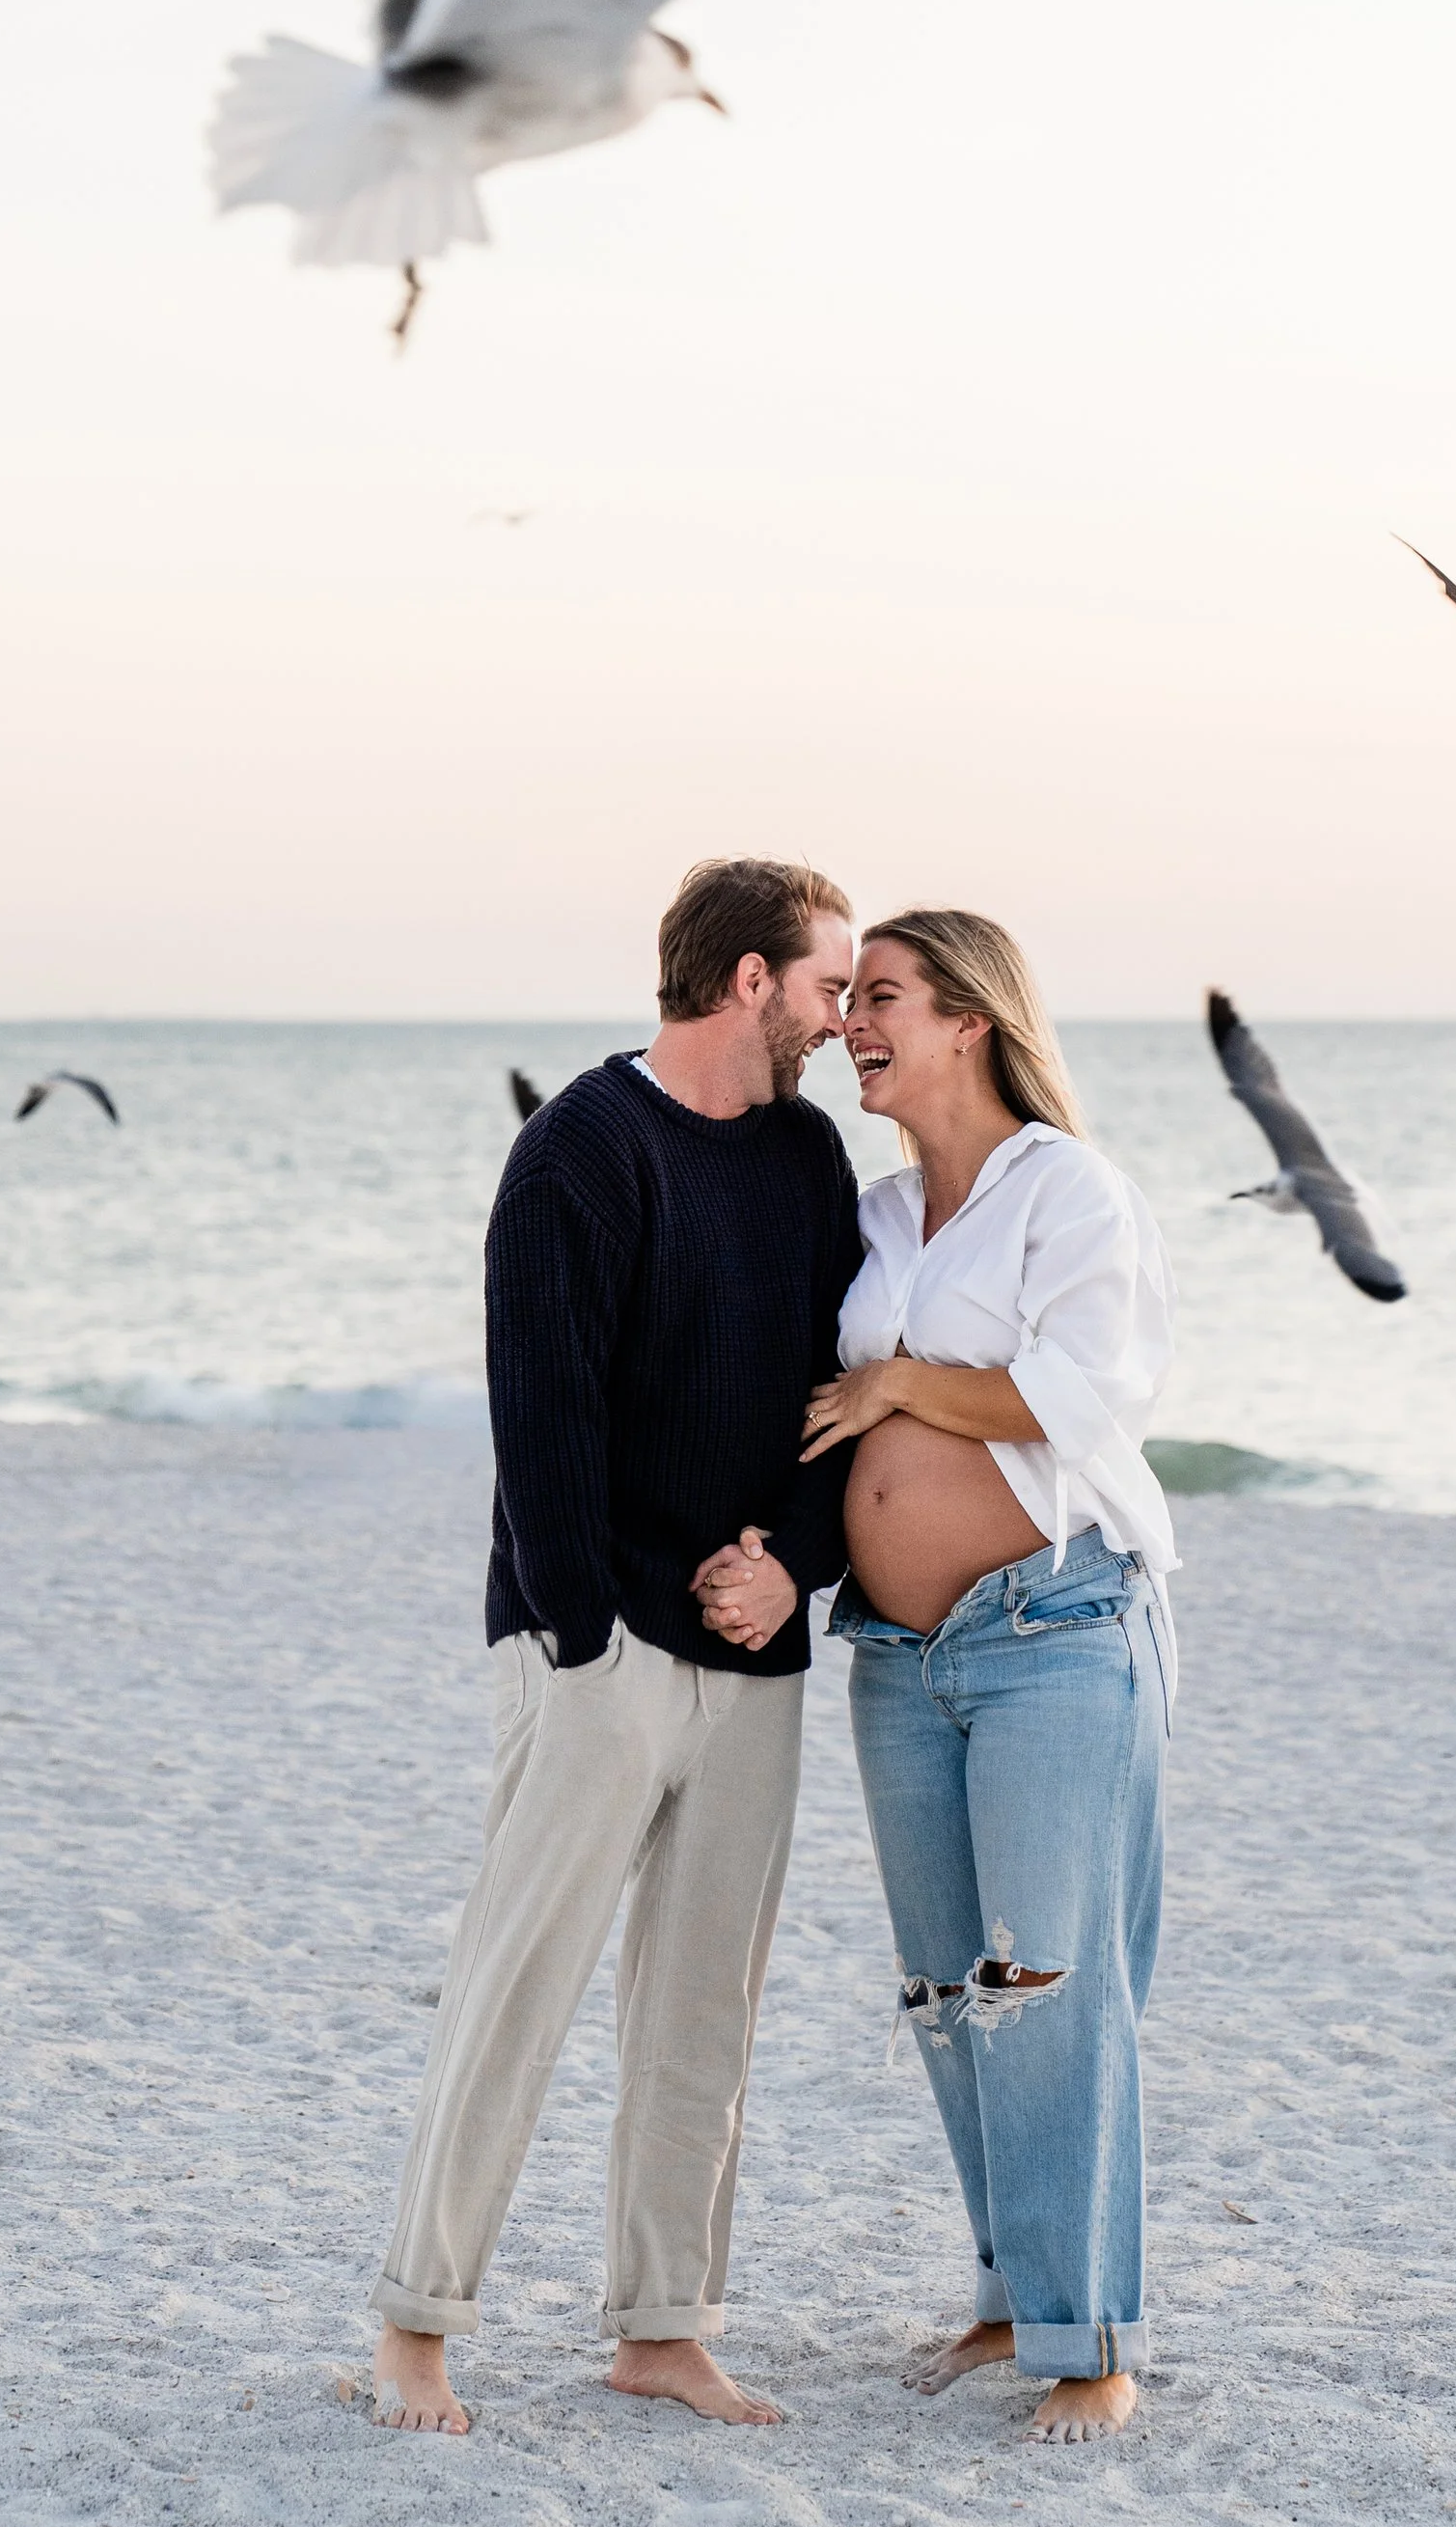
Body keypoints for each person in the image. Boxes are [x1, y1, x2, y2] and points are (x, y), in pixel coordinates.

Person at [368, 858, 862, 2435]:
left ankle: (662, 2325)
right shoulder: (578, 1151)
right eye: (829, 983)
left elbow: (841, 1396)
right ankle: (418, 2326)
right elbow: (545, 1418)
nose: (840, 1015)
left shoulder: (805, 1158)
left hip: (755, 1649)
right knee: (518, 1985)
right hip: (593, 1647)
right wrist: (593, 1631)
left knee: (704, 2006)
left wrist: (790, 1565)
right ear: (748, 983)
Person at [702, 908, 1173, 2444]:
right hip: (897, 1657)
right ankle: (1006, 2293)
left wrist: (903, 1380)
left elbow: (1086, 1389)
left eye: (884, 998)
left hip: (1051, 1630)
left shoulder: (1070, 1191)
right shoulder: (889, 1212)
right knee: (949, 1995)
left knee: (1050, 1983)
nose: (854, 1025)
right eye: (852, 1004)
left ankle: (1093, 2342)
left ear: (972, 1019)